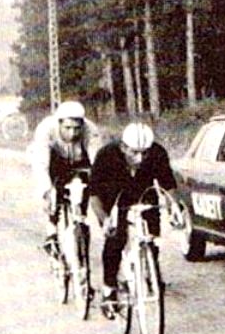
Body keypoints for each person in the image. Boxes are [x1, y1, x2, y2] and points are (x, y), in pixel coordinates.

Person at [89, 121, 177, 319]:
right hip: (114, 200)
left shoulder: (157, 153)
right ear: (122, 147)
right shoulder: (106, 155)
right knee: (115, 240)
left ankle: (150, 271)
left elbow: (168, 184)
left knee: (152, 238)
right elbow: (93, 193)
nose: (140, 158)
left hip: (144, 197)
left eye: (144, 153)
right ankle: (109, 289)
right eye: (134, 152)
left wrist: (174, 209)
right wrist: (104, 220)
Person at [30, 99, 103, 254]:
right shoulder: (45, 129)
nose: (72, 133)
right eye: (67, 128)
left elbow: (97, 162)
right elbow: (41, 164)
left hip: (79, 161)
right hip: (55, 161)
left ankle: (81, 227)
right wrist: (46, 191)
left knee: (85, 191)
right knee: (54, 197)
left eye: (77, 128)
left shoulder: (90, 130)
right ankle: (52, 233)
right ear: (59, 123)